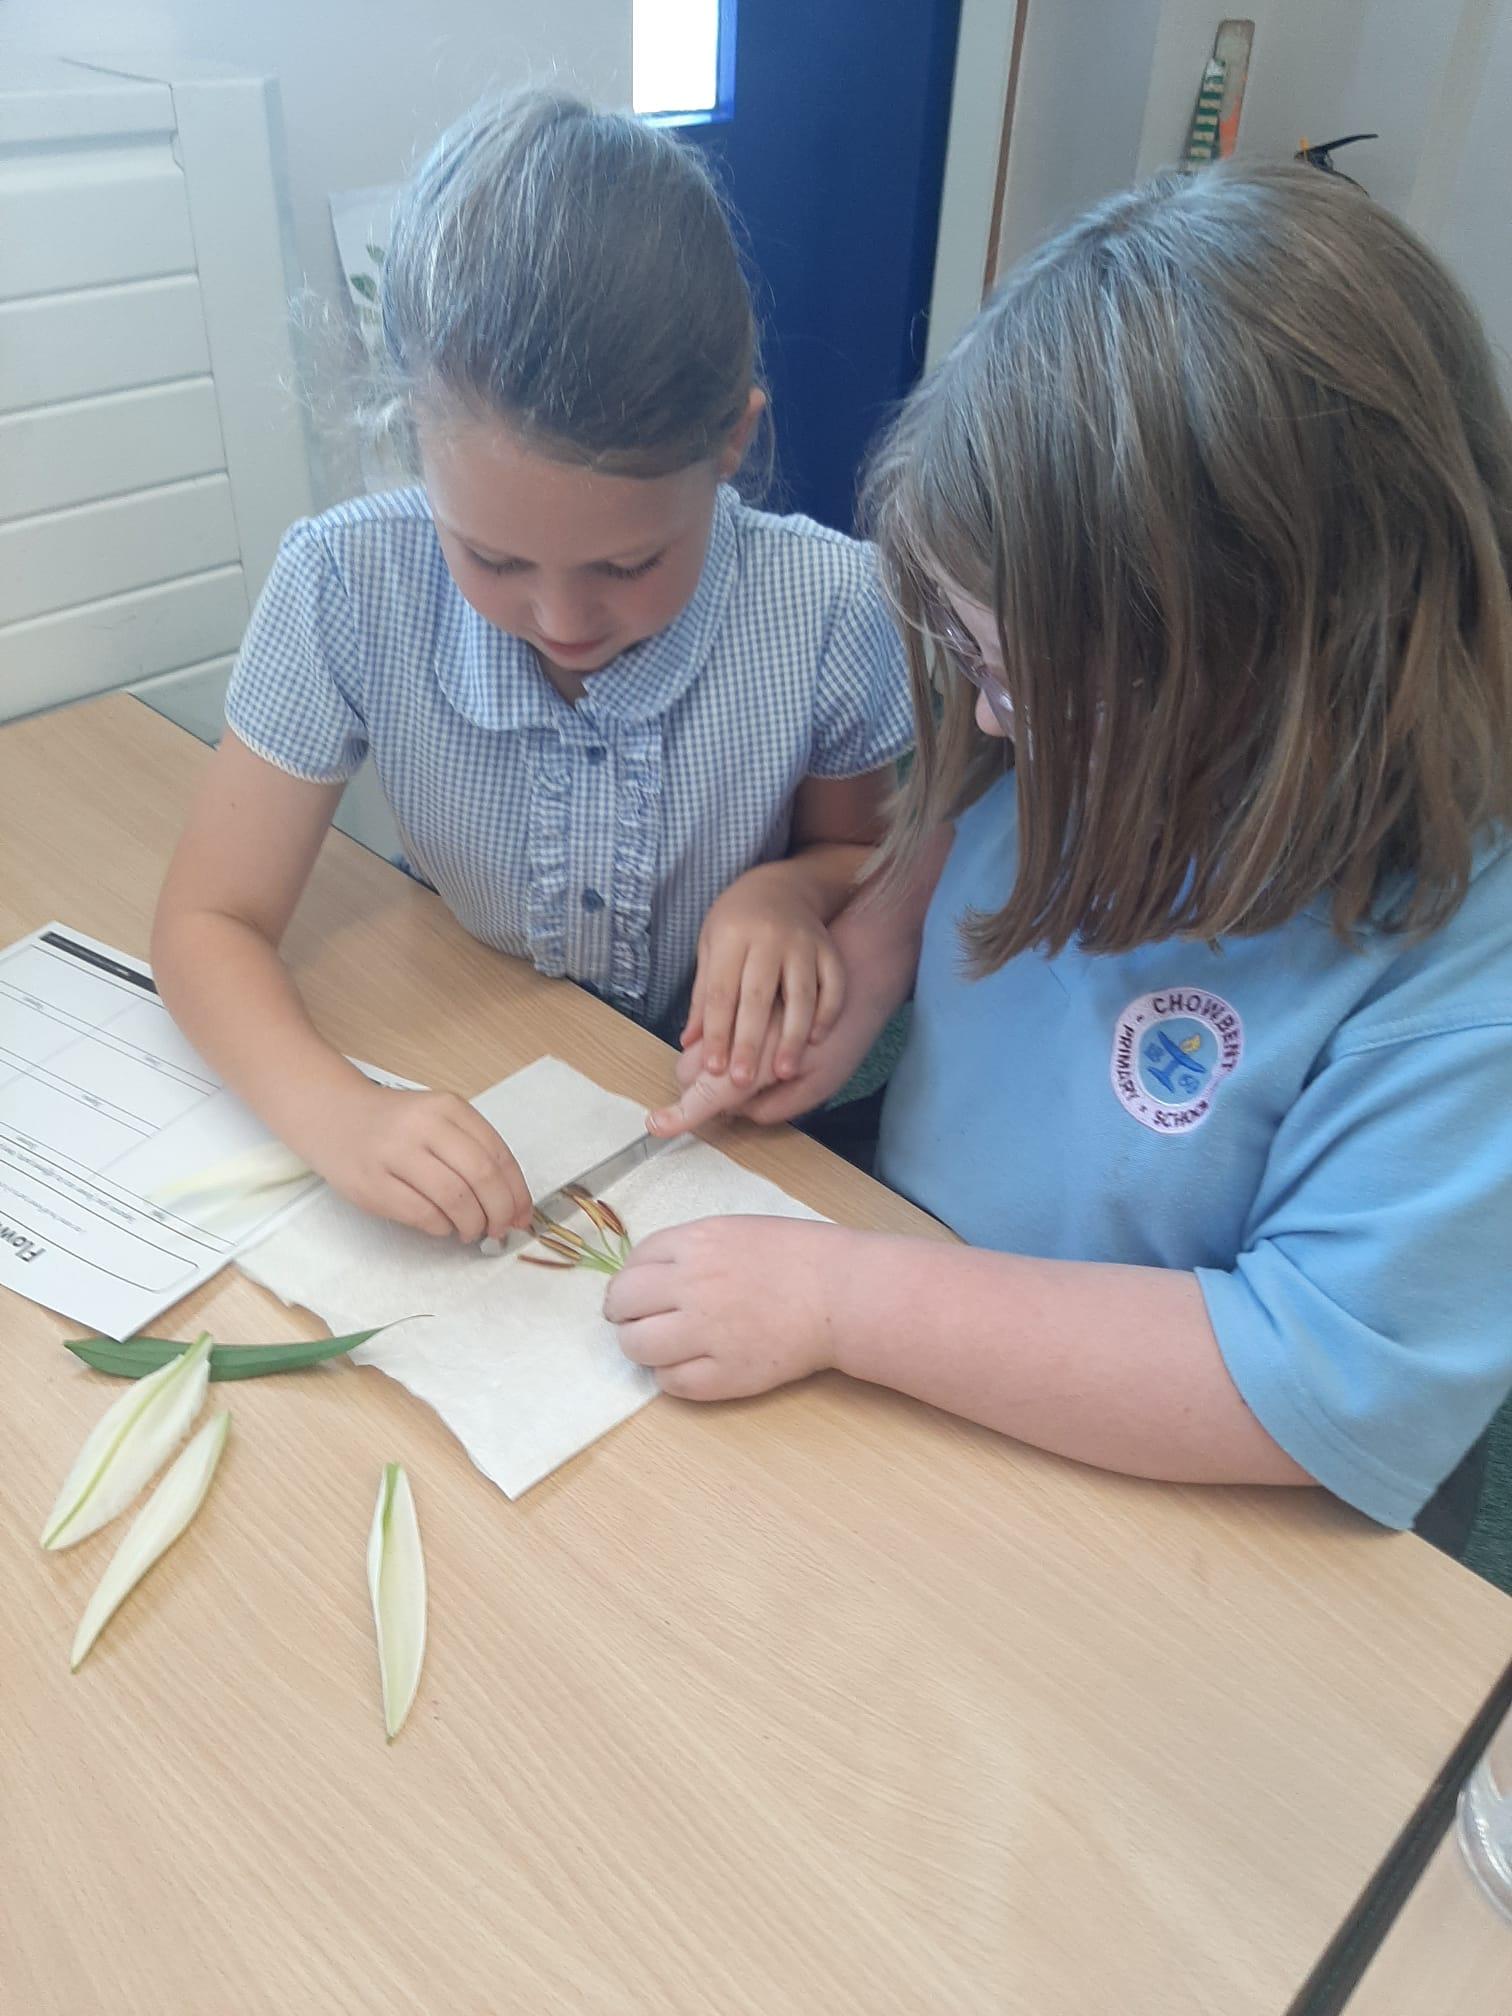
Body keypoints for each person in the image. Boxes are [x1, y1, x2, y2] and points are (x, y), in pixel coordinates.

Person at [610, 162, 1512, 1550]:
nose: (988, 718)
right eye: (974, 662)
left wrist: (845, 1300)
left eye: (1020, 681)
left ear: (1277, 669)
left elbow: (1313, 1383)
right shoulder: (1078, 722)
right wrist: (859, 958)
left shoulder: (1461, 983)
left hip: (1184, 1502)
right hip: (931, 1357)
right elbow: (944, 838)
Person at [152, 91, 911, 1242]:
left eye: (628, 563)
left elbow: (864, 857)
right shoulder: (346, 581)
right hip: (479, 1042)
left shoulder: (828, 607)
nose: (562, 618)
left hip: (718, 1121)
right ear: (411, 439)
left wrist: (788, 893)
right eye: (494, 557)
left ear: (732, 441)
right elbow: (208, 918)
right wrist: (338, 1116)